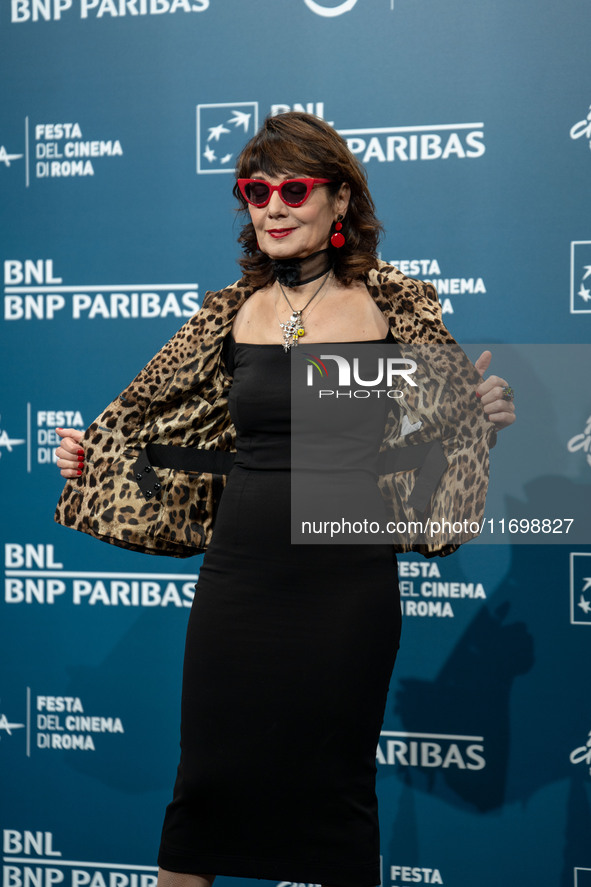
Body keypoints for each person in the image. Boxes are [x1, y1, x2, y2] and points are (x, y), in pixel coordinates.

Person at [54, 112, 515, 887]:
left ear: (339, 201)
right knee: (202, 787)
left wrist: (483, 411)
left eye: (293, 189)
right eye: (255, 190)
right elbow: (155, 420)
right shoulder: (229, 313)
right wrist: (93, 454)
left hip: (344, 585)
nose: (271, 205)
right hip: (241, 576)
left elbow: (442, 421)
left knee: (331, 795)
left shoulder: (392, 306)